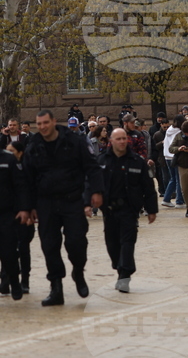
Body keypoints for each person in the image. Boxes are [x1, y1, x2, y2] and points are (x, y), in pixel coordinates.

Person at [22, 109, 104, 306]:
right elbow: (26, 179)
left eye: (45, 123)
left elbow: (91, 166)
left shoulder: (73, 141)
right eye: (38, 124)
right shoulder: (33, 145)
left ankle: (78, 270)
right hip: (46, 202)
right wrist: (28, 206)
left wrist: (96, 191)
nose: (42, 127)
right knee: (49, 245)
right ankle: (56, 287)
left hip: (72, 199)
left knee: (76, 241)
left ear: (54, 122)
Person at [94, 129, 159, 293]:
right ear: (111, 140)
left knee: (127, 243)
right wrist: (89, 202)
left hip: (129, 209)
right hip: (109, 211)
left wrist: (152, 210)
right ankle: (119, 267)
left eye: (124, 138)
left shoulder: (137, 161)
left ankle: (125, 276)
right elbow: (92, 183)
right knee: (112, 244)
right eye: (119, 139)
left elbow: (148, 187)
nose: (122, 141)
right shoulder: (102, 160)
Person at [0, 141, 30, 300]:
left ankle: (14, 280)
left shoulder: (8, 159)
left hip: (5, 213)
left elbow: (20, 186)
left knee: (8, 252)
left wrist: (24, 208)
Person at [161, 115, 185, 208]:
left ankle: (166, 199)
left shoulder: (169, 129)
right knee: (178, 179)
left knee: (173, 178)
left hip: (167, 156)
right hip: (175, 156)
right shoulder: (179, 132)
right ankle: (179, 201)